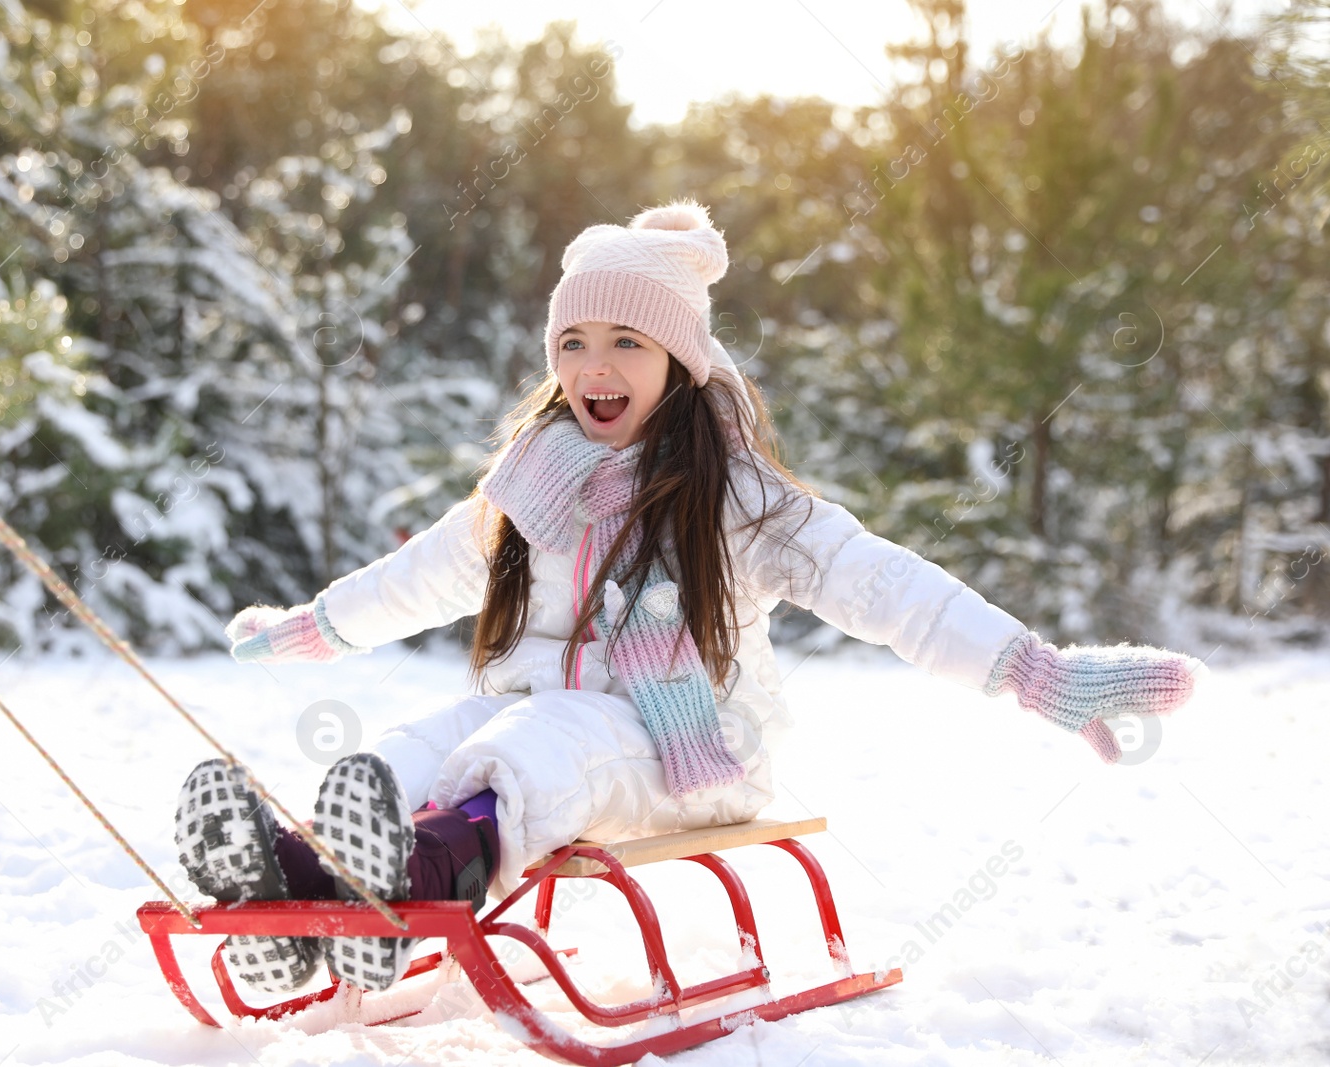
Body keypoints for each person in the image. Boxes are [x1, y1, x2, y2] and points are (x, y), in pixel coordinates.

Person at [172, 198, 1206, 996]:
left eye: (626, 340)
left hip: (692, 746)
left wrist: (1036, 670)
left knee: (536, 745)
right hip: (538, 713)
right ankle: (298, 890)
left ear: (678, 355)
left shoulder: (738, 495)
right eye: (573, 343)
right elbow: (424, 573)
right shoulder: (533, 480)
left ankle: (418, 879)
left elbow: (885, 584)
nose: (594, 366)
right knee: (416, 741)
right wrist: (312, 626)